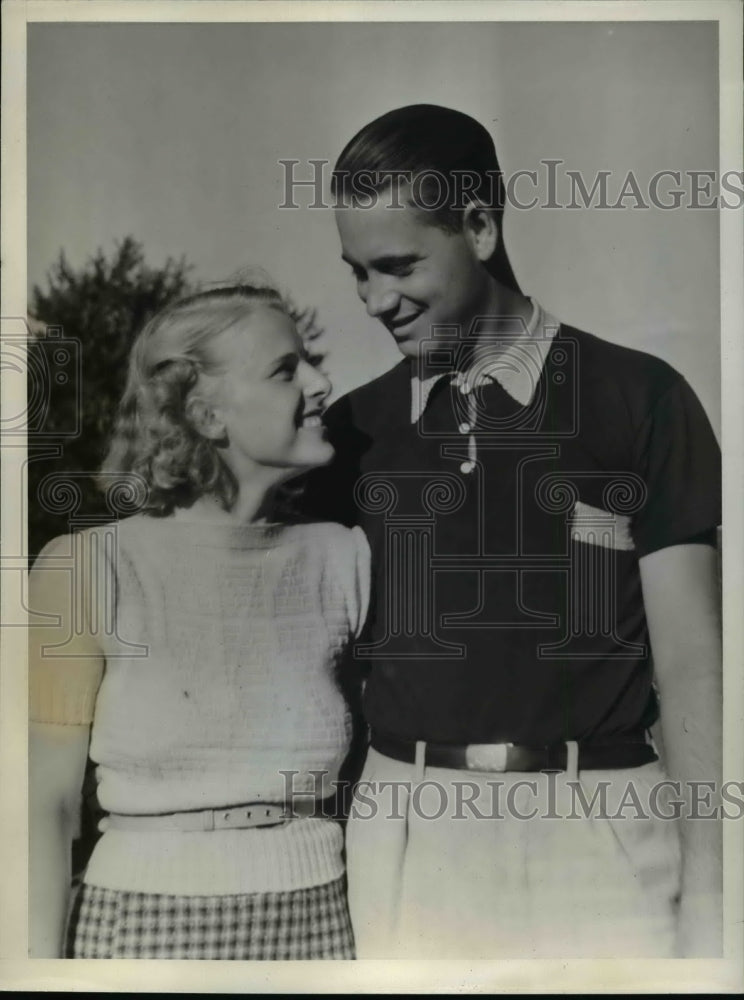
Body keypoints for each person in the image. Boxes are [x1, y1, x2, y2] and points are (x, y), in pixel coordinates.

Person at [302, 104, 722, 958]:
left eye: (398, 266)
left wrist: (715, 889)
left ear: (481, 226)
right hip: (407, 839)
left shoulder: (640, 399)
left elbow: (694, 667)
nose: (375, 301)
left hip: (600, 838)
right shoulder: (351, 433)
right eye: (356, 273)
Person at [28, 282, 370, 960]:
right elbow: (43, 809)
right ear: (207, 414)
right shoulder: (85, 568)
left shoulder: (344, 559)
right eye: (285, 370)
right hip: (141, 928)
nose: (321, 383)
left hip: (321, 923)